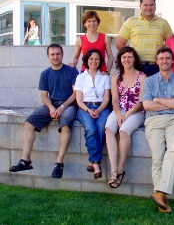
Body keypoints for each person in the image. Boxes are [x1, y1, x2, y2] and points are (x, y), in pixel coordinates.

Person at [9, 44, 79, 178]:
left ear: (62, 55)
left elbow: (76, 94)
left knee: (65, 126)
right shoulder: (45, 74)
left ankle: (59, 163)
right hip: (51, 104)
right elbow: (43, 96)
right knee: (29, 123)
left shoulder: (72, 71)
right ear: (48, 57)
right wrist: (52, 107)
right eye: (52, 54)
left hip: (69, 105)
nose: (55, 57)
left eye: (58, 54)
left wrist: (62, 107)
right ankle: (25, 161)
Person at [142, 46, 174, 213]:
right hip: (153, 121)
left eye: (167, 58)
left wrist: (158, 99)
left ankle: (159, 193)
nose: (164, 61)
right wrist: (170, 101)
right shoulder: (148, 81)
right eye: (161, 58)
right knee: (158, 156)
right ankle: (161, 200)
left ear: (172, 61)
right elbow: (147, 105)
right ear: (156, 61)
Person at [105, 46, 146, 188]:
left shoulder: (142, 76)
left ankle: (121, 169)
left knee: (123, 131)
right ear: (120, 60)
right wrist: (118, 113)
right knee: (109, 129)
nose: (127, 60)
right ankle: (113, 170)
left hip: (137, 111)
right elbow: (114, 100)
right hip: (120, 109)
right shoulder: (115, 78)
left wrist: (127, 114)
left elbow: (141, 101)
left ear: (134, 59)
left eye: (129, 57)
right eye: (124, 57)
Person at [116, 0, 173, 77]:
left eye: (151, 5)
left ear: (155, 6)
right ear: (140, 5)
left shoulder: (163, 23)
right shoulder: (130, 22)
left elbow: (171, 44)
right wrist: (131, 58)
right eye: (145, 5)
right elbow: (119, 44)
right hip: (136, 66)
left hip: (157, 67)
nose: (148, 8)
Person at [74, 49, 111, 179]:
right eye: (91, 59)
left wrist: (99, 110)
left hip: (102, 107)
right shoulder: (80, 77)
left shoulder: (105, 77)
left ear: (100, 61)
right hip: (84, 108)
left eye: (97, 59)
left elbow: (106, 98)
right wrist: (89, 110)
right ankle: (96, 162)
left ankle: (93, 160)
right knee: (90, 129)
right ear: (86, 61)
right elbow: (78, 100)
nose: (94, 61)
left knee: (101, 128)